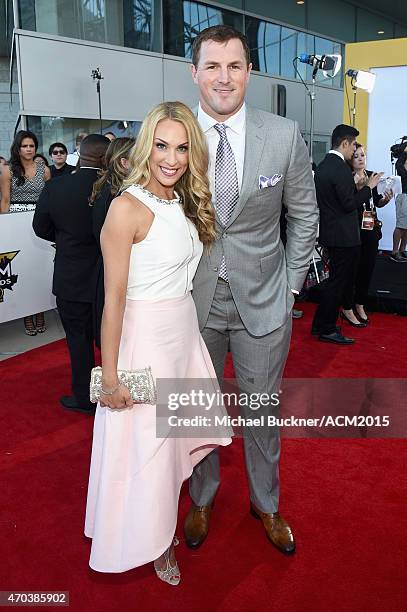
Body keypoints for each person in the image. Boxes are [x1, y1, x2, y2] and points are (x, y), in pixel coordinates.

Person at [84, 102, 232, 584]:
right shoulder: (125, 208)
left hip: (182, 337)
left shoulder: (183, 202)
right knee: (148, 451)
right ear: (147, 146)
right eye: (163, 145)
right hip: (144, 343)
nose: (172, 158)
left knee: (172, 449)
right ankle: (156, 541)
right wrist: (109, 375)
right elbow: (114, 301)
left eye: (183, 147)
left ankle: (163, 526)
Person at [185, 25, 318, 555]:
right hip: (191, 301)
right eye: (212, 66)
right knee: (195, 408)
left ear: (249, 73)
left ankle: (266, 503)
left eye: (234, 66)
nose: (223, 77)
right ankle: (202, 496)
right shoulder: (175, 135)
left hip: (265, 302)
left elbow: (304, 215)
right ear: (194, 73)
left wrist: (289, 289)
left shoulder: (283, 135)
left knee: (261, 411)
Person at [33, 134, 110, 414]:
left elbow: (39, 227)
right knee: (119, 337)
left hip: (71, 274)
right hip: (109, 276)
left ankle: (84, 397)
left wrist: (64, 239)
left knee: (78, 339)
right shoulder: (114, 189)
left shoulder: (57, 186)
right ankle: (123, 390)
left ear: (81, 154)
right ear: (105, 157)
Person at [311, 125, 382, 344]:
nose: (354, 151)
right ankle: (327, 328)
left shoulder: (324, 166)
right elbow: (349, 204)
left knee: (335, 282)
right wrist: (368, 187)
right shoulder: (340, 168)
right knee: (338, 284)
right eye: (353, 145)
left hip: (331, 233)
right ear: (344, 143)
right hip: (343, 236)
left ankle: (320, 325)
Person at [0, 130, 51, 335]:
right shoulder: (8, 170)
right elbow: (5, 199)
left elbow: (50, 198)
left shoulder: (44, 170)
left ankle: (39, 311)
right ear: (18, 148)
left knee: (40, 268)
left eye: (31, 146)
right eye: (24, 146)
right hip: (16, 220)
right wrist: (5, 227)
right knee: (22, 268)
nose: (29, 149)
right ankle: (26, 314)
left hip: (40, 219)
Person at [89, 136, 135, 347]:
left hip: (109, 273)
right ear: (124, 162)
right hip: (117, 278)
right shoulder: (119, 200)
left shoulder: (106, 190)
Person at [346, 143, 393, 323]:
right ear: (350, 159)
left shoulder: (371, 176)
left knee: (368, 268)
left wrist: (384, 201)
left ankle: (360, 303)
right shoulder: (347, 178)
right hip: (355, 228)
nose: (360, 159)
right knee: (353, 269)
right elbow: (350, 203)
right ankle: (348, 306)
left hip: (371, 227)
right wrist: (360, 189)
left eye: (362, 155)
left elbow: (375, 202)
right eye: (356, 156)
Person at [391, 146, 407, 262]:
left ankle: (402, 250)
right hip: (403, 196)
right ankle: (395, 251)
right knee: (401, 225)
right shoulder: (401, 162)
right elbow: (401, 170)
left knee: (406, 226)